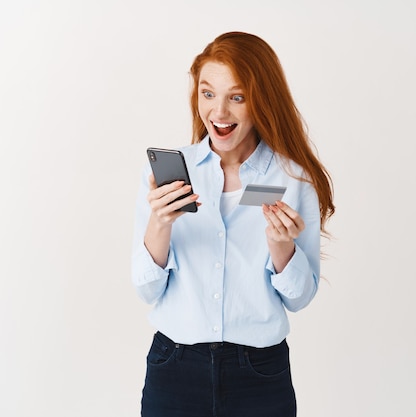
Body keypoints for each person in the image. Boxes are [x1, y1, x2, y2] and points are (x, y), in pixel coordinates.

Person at [131, 31, 335, 417]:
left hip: (258, 375)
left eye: (236, 97)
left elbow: (299, 298)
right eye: (208, 94)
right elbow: (146, 290)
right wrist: (160, 223)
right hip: (173, 369)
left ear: (262, 100)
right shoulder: (169, 175)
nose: (219, 113)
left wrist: (281, 247)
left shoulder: (291, 178)